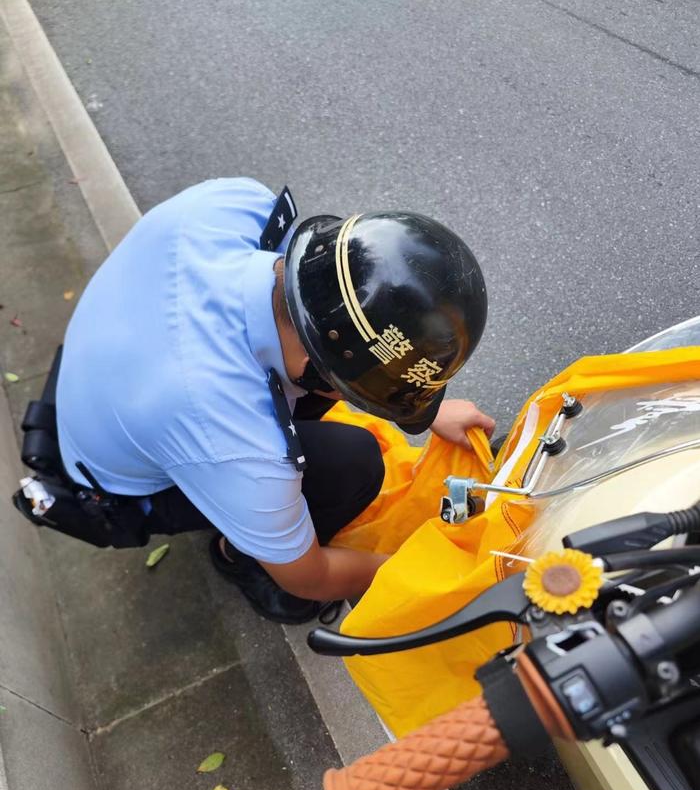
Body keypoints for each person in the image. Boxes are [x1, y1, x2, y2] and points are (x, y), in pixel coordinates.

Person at [55, 178, 494, 622]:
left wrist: (423, 402)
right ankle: (239, 556)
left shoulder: (237, 203)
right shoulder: (231, 436)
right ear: (314, 366)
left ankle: (253, 526)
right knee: (352, 464)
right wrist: (426, 574)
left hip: (99, 379)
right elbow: (312, 578)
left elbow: (336, 316)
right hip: (119, 487)